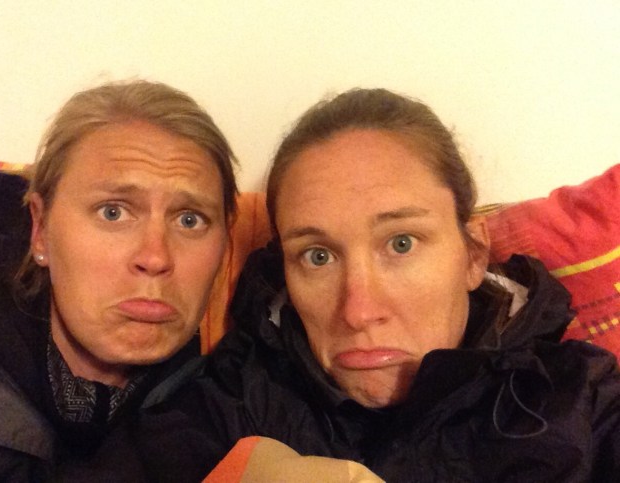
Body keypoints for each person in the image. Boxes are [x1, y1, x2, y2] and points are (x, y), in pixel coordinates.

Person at [138, 88, 620, 482]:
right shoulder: (228, 406)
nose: (358, 311)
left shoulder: (582, 407)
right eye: (318, 256)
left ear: (473, 254)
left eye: (401, 244)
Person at [0, 79, 238, 480]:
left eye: (189, 219)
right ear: (41, 231)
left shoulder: (228, 398)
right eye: (113, 212)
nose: (156, 257)